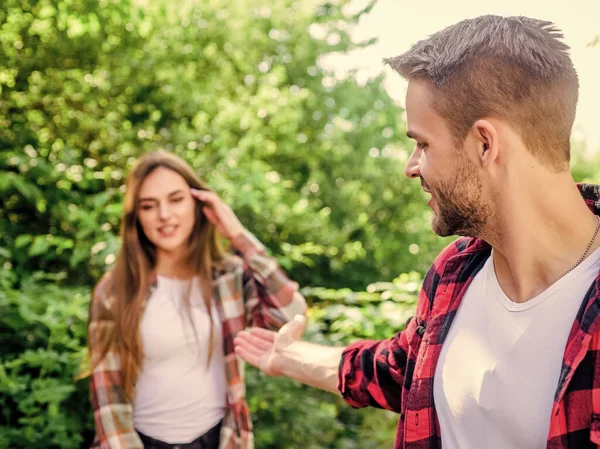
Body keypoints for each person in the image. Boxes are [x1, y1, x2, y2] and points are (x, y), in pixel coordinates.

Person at [234, 15, 600, 449]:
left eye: (423, 144)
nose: (411, 167)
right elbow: (400, 369)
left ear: (485, 144)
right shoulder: (455, 272)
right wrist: (289, 357)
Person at [86, 150, 307, 449]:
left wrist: (238, 235)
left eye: (176, 199)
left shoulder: (229, 276)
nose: (164, 215)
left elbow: (289, 318)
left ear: (199, 203)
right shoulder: (115, 288)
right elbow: (108, 398)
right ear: (136, 216)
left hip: (221, 439)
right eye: (149, 206)